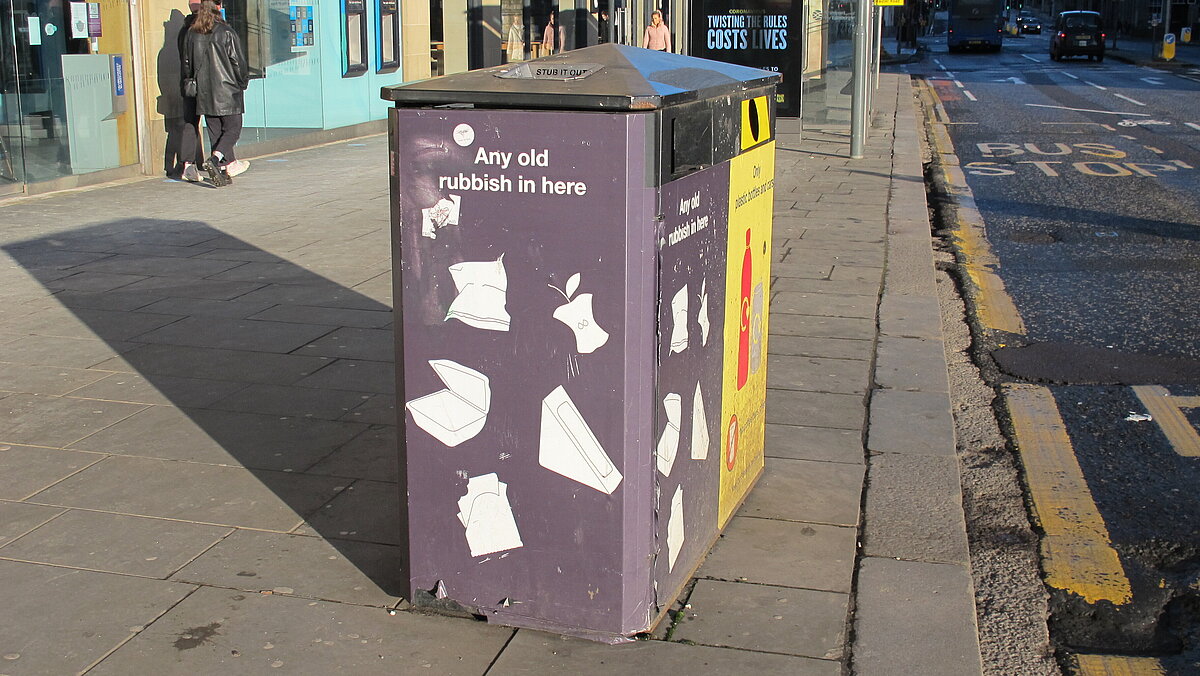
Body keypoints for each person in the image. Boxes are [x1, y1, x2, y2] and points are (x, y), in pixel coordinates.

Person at [180, 0, 249, 186]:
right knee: (233, 129)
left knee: (215, 131)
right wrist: (242, 82)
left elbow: (187, 64)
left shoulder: (191, 34)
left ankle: (220, 169)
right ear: (219, 8)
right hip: (227, 90)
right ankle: (215, 159)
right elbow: (238, 63)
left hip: (204, 92)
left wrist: (192, 84)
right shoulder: (226, 32)